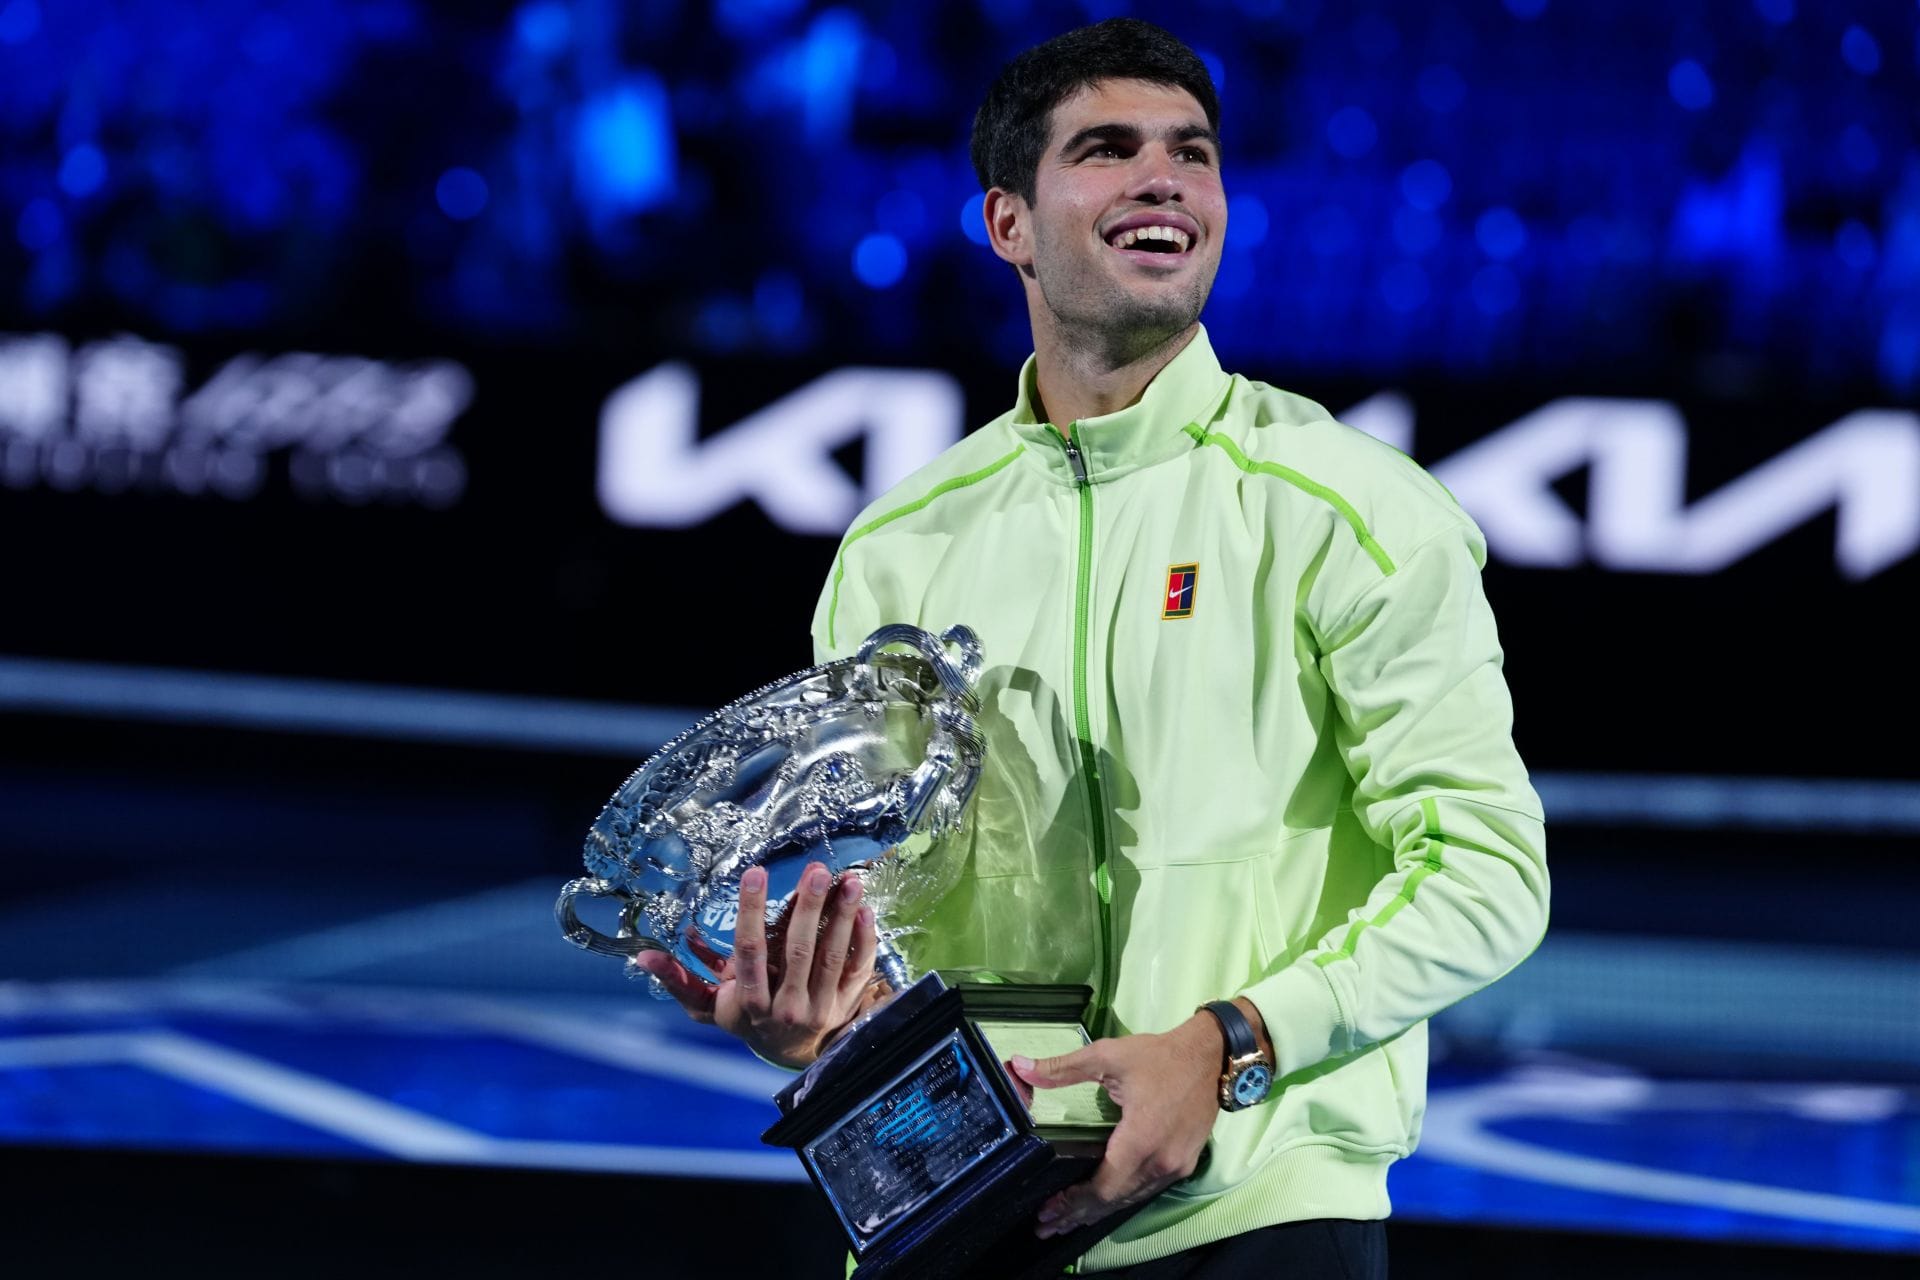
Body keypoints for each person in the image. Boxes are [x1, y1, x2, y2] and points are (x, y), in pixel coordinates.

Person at [637, 18, 1549, 1278]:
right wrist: (823, 1023)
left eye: (1192, 152)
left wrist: (1233, 1040)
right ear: (1008, 222)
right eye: (1108, 150)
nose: (1163, 178)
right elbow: (904, 925)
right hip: (958, 1215)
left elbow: (1491, 873)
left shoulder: (1350, 509)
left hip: (1258, 1216)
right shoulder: (900, 545)